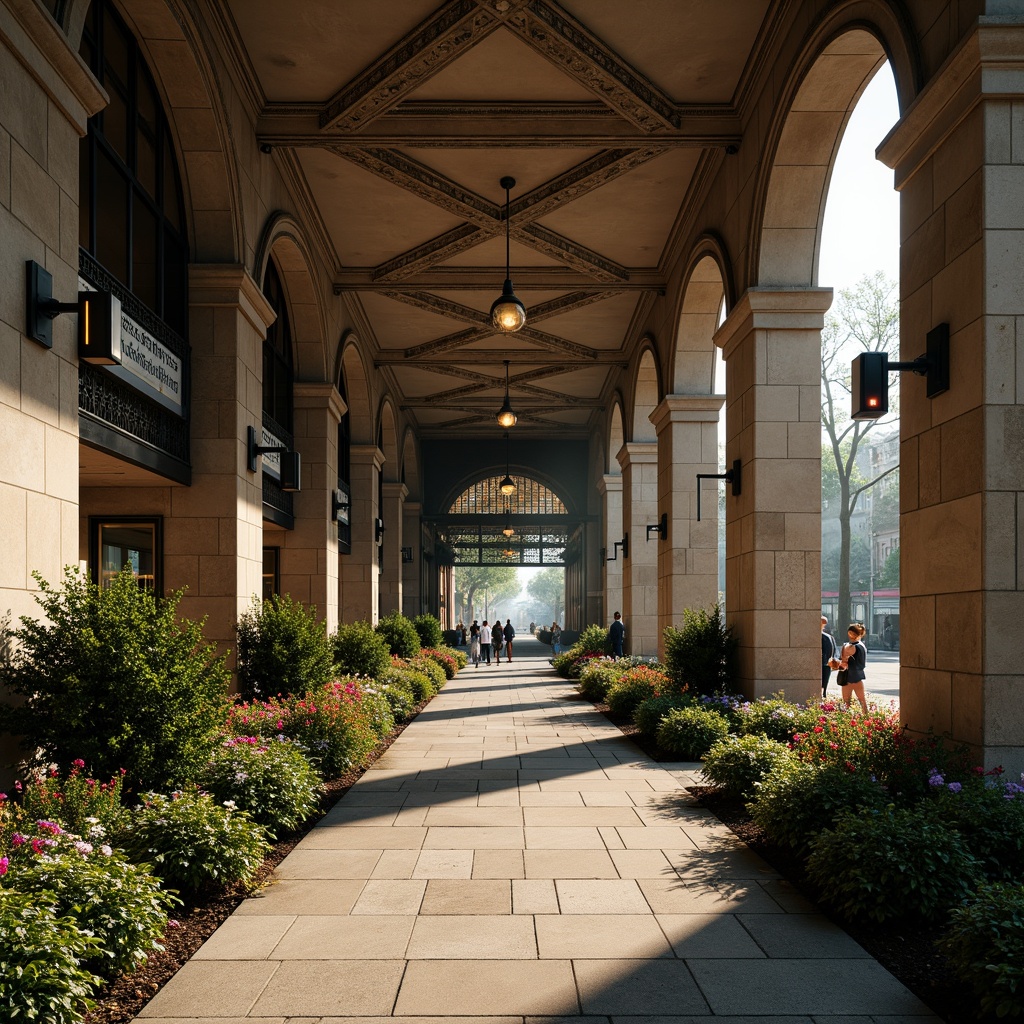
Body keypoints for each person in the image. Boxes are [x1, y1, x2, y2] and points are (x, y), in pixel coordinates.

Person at [836, 622, 869, 714]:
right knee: (861, 702)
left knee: (848, 702)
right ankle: (865, 719)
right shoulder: (860, 646)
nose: (850, 635)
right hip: (854, 676)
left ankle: (847, 720)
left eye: (852, 633)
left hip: (850, 676)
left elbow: (844, 663)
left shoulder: (851, 646)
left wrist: (836, 664)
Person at [821, 615, 836, 697]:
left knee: (823, 686)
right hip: (826, 664)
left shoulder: (827, 637)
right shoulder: (828, 637)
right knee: (823, 685)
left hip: (825, 664)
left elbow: (832, 652)